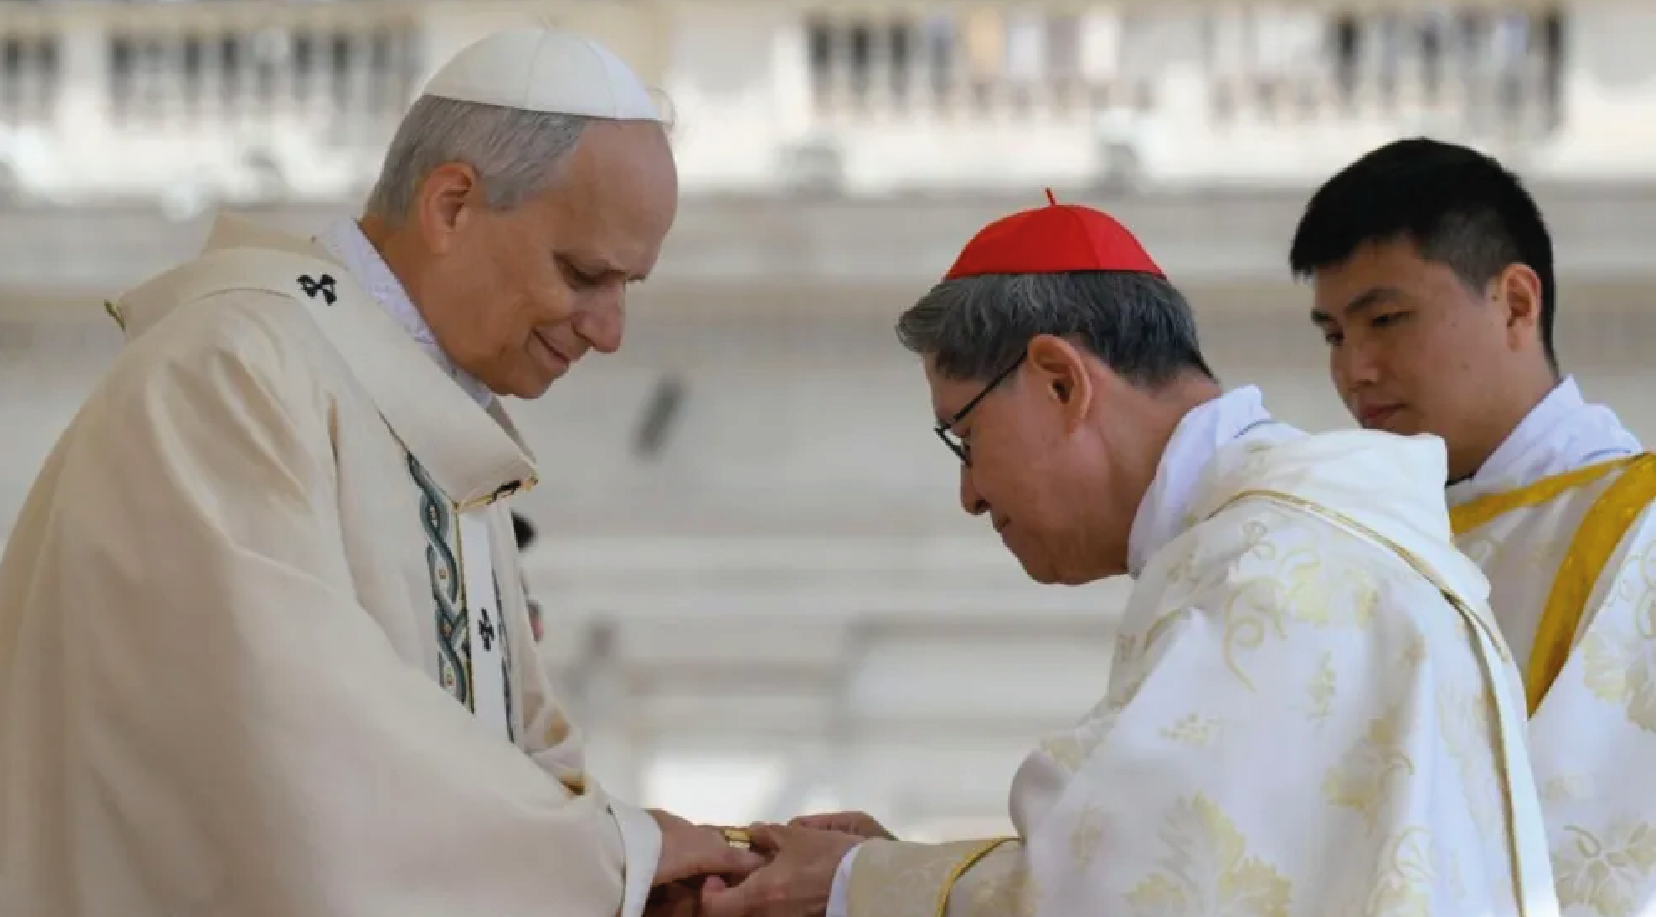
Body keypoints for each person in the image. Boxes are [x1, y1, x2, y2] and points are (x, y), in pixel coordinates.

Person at [0, 27, 760, 916]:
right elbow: (299, 744)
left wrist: (634, 874)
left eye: (629, 286)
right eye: (584, 273)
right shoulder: (230, 373)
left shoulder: (434, 419)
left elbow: (517, 755)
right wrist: (614, 857)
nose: (609, 330)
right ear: (451, 205)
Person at [699, 196, 1559, 917]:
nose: (969, 493)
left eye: (964, 436)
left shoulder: (1270, 570)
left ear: (1060, 380)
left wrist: (855, 884)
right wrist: (891, 871)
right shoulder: (1296, 540)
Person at [1290, 137, 1654, 917]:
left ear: (1515, 303)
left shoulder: (1635, 530)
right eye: (1333, 335)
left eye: (1385, 319)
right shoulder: (1360, 539)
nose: (1354, 369)